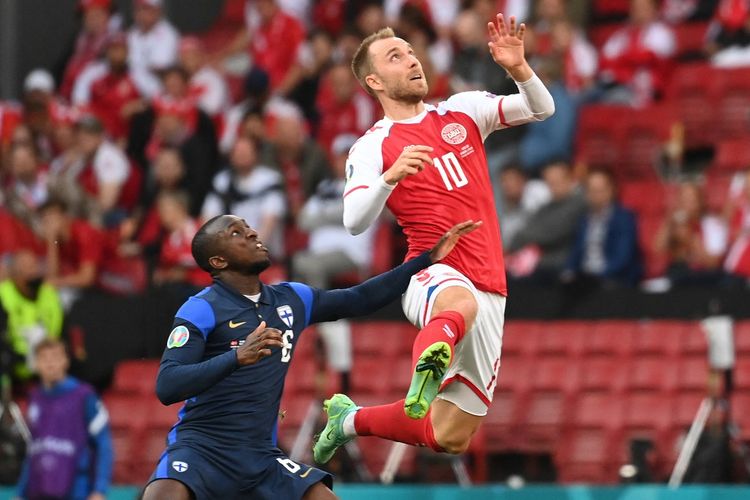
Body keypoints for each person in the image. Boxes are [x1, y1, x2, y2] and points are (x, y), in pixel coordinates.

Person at [313, 15, 554, 464]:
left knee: (451, 435)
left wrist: (519, 70)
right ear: (374, 81)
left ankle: (347, 421)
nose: (411, 60)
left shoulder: (461, 110)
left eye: (410, 52)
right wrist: (388, 178)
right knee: (459, 305)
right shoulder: (372, 146)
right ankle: (425, 370)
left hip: (492, 284)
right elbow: (353, 221)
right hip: (432, 271)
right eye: (395, 56)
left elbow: (540, 108)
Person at [141, 215, 479, 500]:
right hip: (203, 451)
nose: (253, 233)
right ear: (218, 261)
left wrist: (425, 259)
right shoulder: (201, 308)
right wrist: (236, 358)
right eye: (236, 233)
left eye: (248, 227)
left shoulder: (291, 299)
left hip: (260, 458)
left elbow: (360, 298)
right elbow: (168, 385)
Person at [16, 339, 113, 500]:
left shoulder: (84, 396)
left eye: (55, 357)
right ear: (36, 364)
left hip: (76, 491)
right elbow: (32, 450)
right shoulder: (34, 398)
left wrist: (99, 490)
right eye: (44, 358)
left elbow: (103, 444)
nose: (50, 363)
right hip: (39, 491)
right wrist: (20, 493)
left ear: (65, 361)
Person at [562, 169, 642, 288]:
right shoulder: (584, 219)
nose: (595, 195)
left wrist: (598, 274)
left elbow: (623, 257)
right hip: (585, 277)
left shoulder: (623, 218)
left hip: (613, 277)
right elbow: (576, 251)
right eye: (591, 191)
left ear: (611, 191)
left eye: (600, 191)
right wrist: (569, 271)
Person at [0, 250, 63, 383]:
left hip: (49, 365)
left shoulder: (49, 293)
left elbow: (61, 331)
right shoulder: (3, 294)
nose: (33, 273)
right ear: (14, 275)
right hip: (12, 364)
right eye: (27, 268)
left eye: (35, 267)